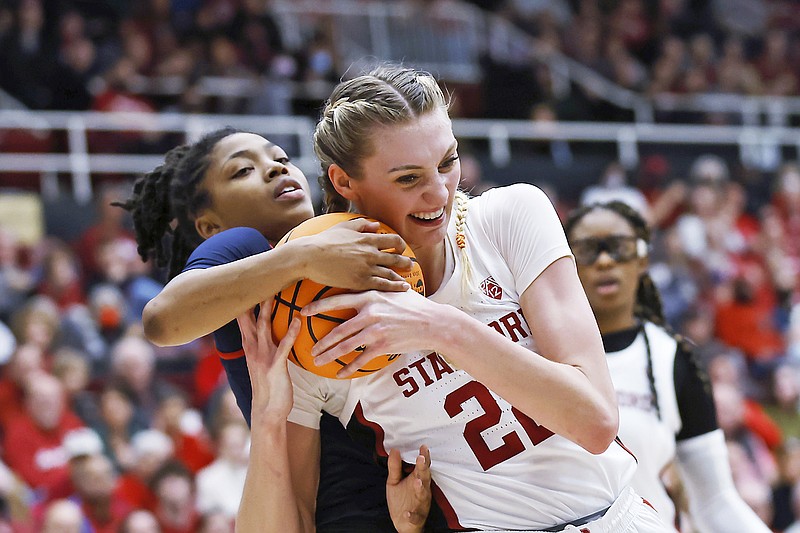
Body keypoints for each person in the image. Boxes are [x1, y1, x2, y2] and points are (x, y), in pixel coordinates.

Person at [236, 63, 669, 532]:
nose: (438, 192)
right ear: (344, 182)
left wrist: (437, 326)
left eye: (448, 162)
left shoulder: (509, 216)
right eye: (408, 178)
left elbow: (596, 422)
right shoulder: (311, 319)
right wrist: (267, 420)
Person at [115, 126, 430, 531]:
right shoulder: (244, 245)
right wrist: (302, 258)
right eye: (242, 170)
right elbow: (161, 320)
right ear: (211, 225)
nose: (274, 169)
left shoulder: (342, 244)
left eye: (280, 158)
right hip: (330, 511)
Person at [563, 200, 771, 532]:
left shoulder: (674, 359)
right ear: (566, 263)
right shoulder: (535, 352)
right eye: (587, 249)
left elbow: (715, 500)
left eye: (619, 247)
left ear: (643, 258)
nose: (604, 260)